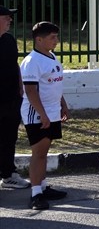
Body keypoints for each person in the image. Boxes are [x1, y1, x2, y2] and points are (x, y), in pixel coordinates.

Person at [20, 21, 68, 210]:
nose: (56, 41)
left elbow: (55, 83)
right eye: (52, 38)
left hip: (52, 111)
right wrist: (43, 115)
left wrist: (63, 104)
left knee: (45, 152)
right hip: (38, 114)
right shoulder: (32, 62)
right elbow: (30, 91)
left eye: (56, 37)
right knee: (38, 154)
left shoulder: (51, 56)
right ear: (39, 39)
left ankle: (43, 186)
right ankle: (36, 194)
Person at [0, 6, 30, 190]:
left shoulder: (9, 40)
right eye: (6, 17)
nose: (10, 19)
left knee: (9, 137)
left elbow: (14, 64)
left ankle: (8, 174)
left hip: (11, 98)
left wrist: (21, 87)